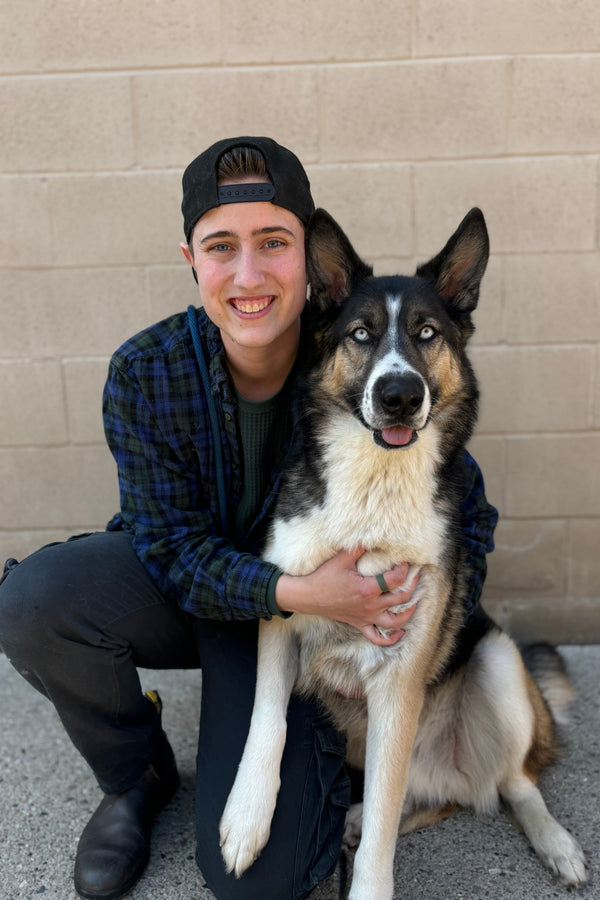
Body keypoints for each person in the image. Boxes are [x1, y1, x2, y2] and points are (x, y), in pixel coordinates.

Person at [0, 136, 498, 900]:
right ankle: (135, 776)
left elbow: (467, 507)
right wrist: (305, 594)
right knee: (35, 601)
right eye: (221, 247)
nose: (249, 274)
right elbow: (168, 551)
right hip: (196, 591)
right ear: (191, 259)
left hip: (294, 633)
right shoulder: (148, 369)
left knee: (263, 881)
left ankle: (310, 770)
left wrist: (414, 621)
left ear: (310, 266)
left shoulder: (355, 349)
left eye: (273, 243)